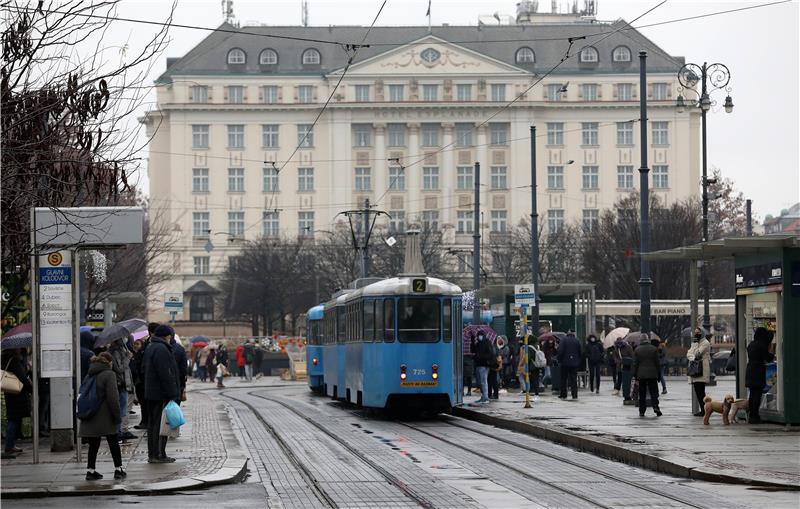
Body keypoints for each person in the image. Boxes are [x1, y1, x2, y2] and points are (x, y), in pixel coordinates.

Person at [79, 352, 125, 480]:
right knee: (113, 442)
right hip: (105, 415)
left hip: (90, 414)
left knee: (93, 444)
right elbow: (113, 398)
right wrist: (117, 416)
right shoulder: (109, 374)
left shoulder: (89, 374)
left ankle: (91, 471)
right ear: (109, 362)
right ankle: (118, 469)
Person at [143, 324, 180, 463]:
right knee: (160, 425)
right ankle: (158, 454)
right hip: (160, 394)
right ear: (166, 336)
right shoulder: (161, 349)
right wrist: (173, 393)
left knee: (153, 424)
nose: (171, 338)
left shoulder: (151, 347)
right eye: (170, 336)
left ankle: (154, 454)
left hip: (152, 393)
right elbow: (165, 373)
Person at [2, 348, 33, 458]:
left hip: (10, 392)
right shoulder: (14, 361)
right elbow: (22, 377)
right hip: (17, 393)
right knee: (14, 419)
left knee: (13, 418)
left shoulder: (5, 359)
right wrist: (31, 388)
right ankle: (9, 445)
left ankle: (11, 444)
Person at [745, 327, 775, 424]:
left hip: (750, 369)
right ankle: (755, 416)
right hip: (758, 370)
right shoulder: (761, 345)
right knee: (757, 394)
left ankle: (751, 415)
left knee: (752, 395)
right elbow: (767, 357)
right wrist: (773, 355)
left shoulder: (751, 344)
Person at [130, 322, 157, 430]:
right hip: (141, 380)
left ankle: (148, 421)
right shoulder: (146, 345)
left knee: (147, 403)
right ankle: (145, 421)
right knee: (143, 402)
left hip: (146, 379)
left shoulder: (150, 345)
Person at [109, 337, 136, 441]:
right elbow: (120, 369)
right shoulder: (115, 352)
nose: (125, 339)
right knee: (122, 409)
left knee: (123, 408)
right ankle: (119, 431)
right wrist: (128, 358)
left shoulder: (122, 349)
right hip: (121, 384)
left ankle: (121, 430)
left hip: (124, 383)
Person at [633, 337, 663, 417]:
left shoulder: (637, 350)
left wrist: (635, 375)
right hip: (652, 374)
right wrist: (659, 374)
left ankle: (642, 411)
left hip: (641, 375)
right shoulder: (653, 349)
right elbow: (657, 363)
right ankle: (656, 407)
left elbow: (635, 364)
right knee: (654, 392)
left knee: (642, 393)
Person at [686, 327, 711, 416]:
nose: (696, 334)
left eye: (698, 333)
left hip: (702, 370)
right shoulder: (695, 343)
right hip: (695, 369)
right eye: (695, 333)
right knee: (697, 391)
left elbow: (697, 354)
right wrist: (692, 358)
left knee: (701, 391)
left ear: (702, 333)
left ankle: (705, 410)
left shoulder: (705, 343)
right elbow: (689, 353)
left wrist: (695, 346)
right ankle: (703, 410)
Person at [556, 330, 581, 399]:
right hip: (574, 364)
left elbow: (560, 351)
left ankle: (563, 394)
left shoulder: (563, 340)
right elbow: (580, 352)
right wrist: (577, 361)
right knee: (574, 379)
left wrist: (559, 359)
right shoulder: (577, 340)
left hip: (565, 363)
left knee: (563, 379)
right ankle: (574, 395)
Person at [473, 332, 493, 403]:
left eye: (480, 335)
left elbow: (490, 354)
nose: (479, 337)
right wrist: (472, 340)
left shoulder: (487, 343)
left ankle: (485, 397)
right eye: (478, 335)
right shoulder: (478, 343)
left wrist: (481, 356)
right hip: (478, 364)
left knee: (483, 381)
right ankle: (483, 396)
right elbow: (473, 350)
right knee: (480, 382)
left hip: (484, 365)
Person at [615, 339, 635, 404]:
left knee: (627, 381)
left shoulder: (628, 347)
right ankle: (623, 393)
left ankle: (629, 394)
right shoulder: (617, 348)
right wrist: (618, 361)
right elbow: (615, 356)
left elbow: (632, 356)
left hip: (628, 367)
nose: (619, 346)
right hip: (621, 366)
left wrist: (625, 360)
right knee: (621, 378)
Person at [170, 334, 188, 402]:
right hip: (178, 381)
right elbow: (184, 369)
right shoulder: (180, 348)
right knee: (175, 404)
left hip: (164, 383)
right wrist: (183, 385)